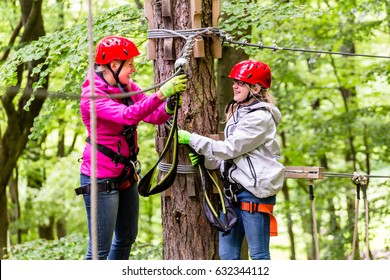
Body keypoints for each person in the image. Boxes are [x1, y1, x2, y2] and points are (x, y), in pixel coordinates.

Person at [76, 35, 187, 260]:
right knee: (99, 250)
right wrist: (160, 93)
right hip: (101, 179)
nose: (133, 69)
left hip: (126, 175)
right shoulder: (92, 96)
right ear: (114, 65)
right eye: (129, 65)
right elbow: (127, 116)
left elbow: (153, 115)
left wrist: (167, 106)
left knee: (127, 238)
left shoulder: (125, 86)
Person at [178, 60, 284, 260]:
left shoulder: (259, 118)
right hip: (233, 194)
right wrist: (206, 160)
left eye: (241, 82)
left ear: (256, 87)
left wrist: (191, 139)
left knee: (259, 256)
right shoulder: (239, 113)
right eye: (235, 81)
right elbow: (233, 157)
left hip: (254, 193)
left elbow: (230, 149)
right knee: (227, 255)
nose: (235, 85)